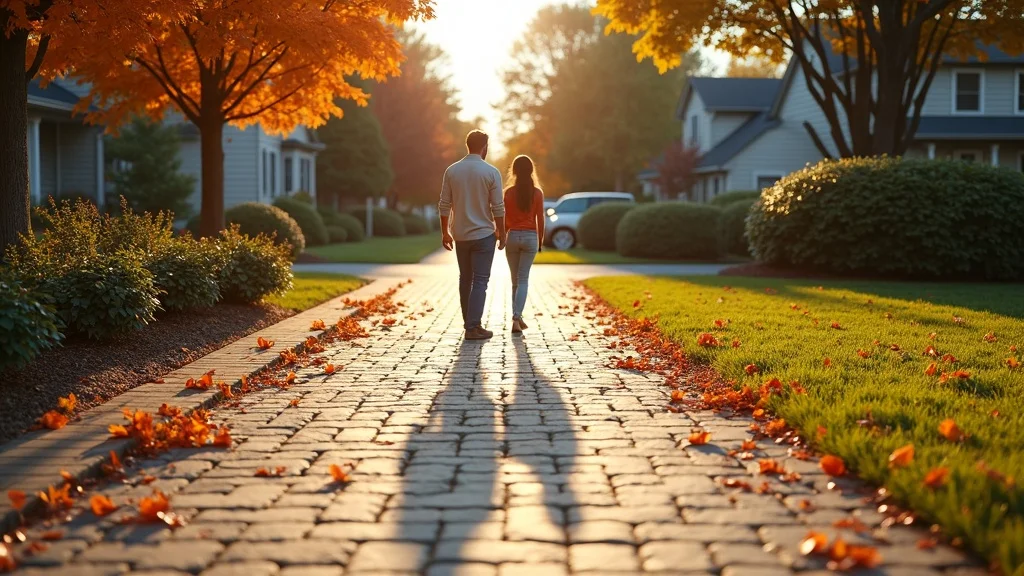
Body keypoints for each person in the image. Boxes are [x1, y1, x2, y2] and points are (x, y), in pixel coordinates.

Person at [438, 130, 506, 340]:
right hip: (484, 234)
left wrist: (445, 232)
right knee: (480, 281)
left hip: (461, 235)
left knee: (465, 279)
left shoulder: (452, 170)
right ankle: (472, 327)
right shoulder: (491, 172)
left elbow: (444, 204)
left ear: (468, 145)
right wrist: (502, 232)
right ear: (485, 147)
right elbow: (498, 207)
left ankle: (470, 325)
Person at [502, 155, 544, 334]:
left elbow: (504, 217)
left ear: (514, 171)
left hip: (512, 237)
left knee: (514, 281)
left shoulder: (508, 193)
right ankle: (516, 317)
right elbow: (540, 218)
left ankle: (517, 317)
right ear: (531, 170)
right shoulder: (537, 193)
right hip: (529, 237)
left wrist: (502, 236)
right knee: (523, 279)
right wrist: (540, 240)